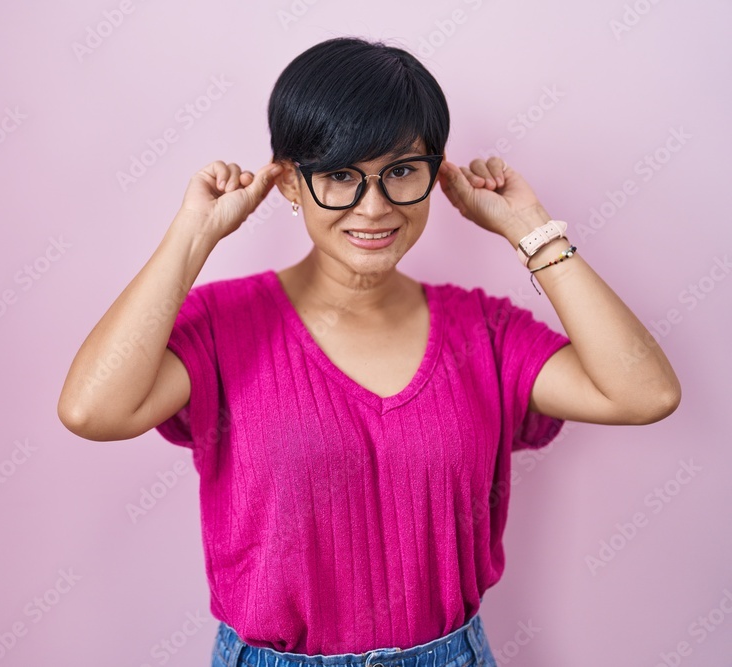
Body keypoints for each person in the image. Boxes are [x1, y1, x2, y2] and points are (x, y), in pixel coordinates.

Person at [58, 36, 681, 666]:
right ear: (287, 183)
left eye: (402, 172)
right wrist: (193, 236)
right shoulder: (222, 326)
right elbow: (93, 410)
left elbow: (644, 392)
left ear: (437, 177)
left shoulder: (483, 332)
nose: (375, 207)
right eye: (338, 175)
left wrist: (531, 230)